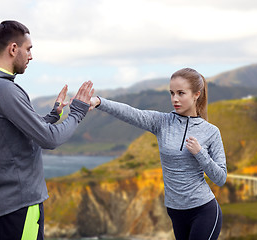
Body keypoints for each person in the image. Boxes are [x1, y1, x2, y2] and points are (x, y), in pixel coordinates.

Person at [0, 20, 94, 240]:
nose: (31, 56)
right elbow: (49, 139)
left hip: (7, 204)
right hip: (22, 203)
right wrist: (78, 112)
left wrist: (53, 115)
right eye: (28, 49)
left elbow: (16, 133)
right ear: (13, 49)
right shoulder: (4, 89)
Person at [90, 68, 226, 240]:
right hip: (176, 212)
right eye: (172, 93)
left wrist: (200, 154)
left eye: (181, 93)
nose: (175, 99)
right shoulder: (162, 122)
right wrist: (99, 102)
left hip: (203, 210)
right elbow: (131, 113)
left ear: (196, 94)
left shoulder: (211, 132)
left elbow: (220, 178)